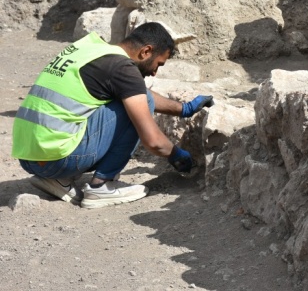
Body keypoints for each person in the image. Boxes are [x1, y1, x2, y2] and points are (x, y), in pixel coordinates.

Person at [12, 22, 214, 209]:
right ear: (146, 52)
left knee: (137, 98)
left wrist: (183, 109)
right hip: (58, 159)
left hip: (30, 158)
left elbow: (131, 90)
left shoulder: (91, 49)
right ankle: (102, 186)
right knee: (141, 103)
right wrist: (174, 154)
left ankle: (57, 179)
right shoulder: (123, 68)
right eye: (158, 64)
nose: (155, 73)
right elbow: (152, 140)